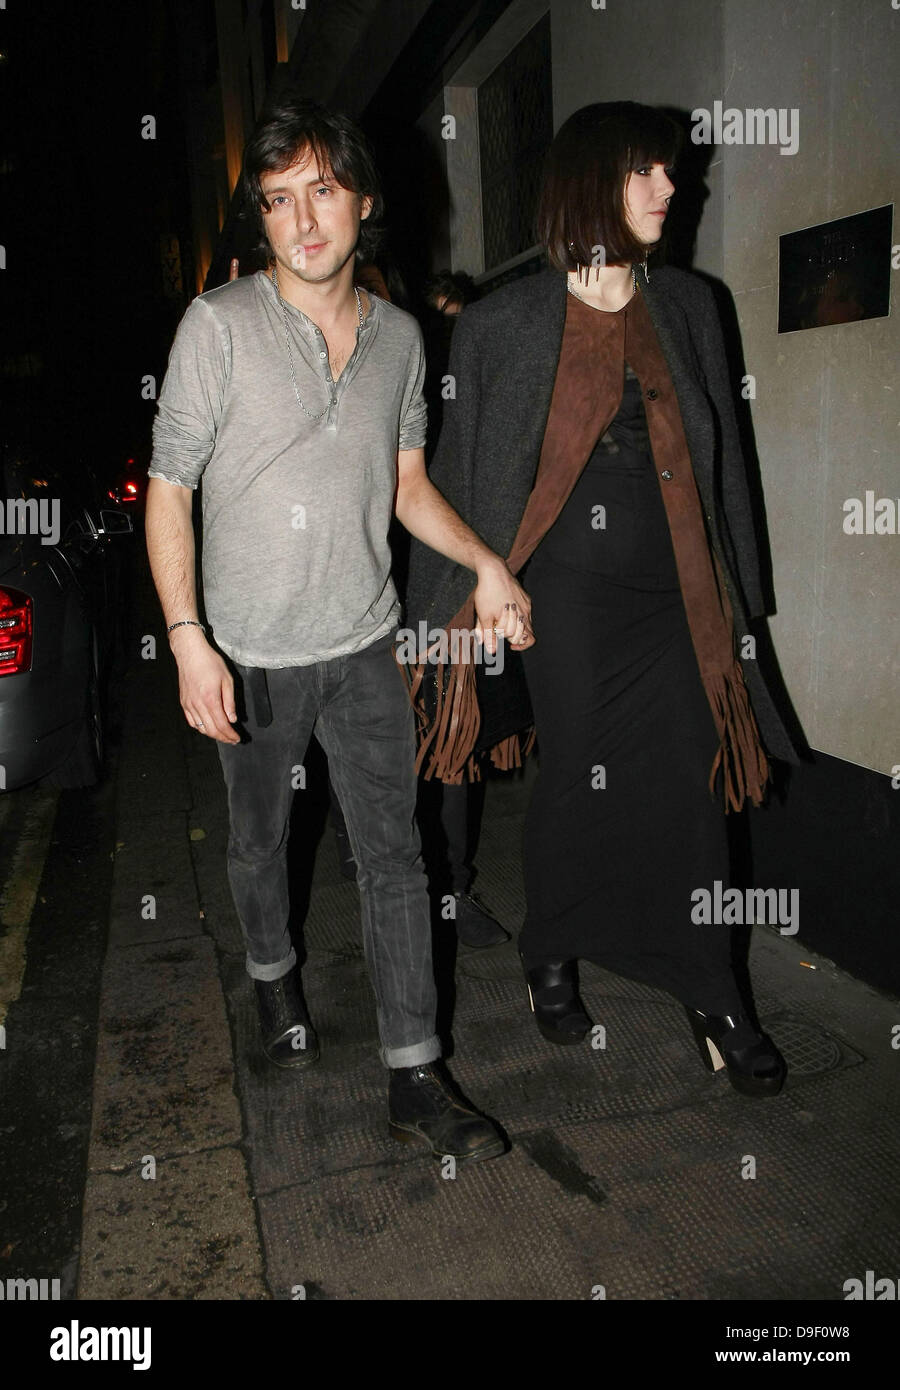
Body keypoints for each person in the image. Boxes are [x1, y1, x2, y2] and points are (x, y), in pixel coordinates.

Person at [145, 96, 531, 1163]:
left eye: (321, 189)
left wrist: (487, 561)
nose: (303, 219)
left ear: (362, 200)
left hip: (364, 643)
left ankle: (416, 1070)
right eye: (277, 200)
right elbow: (169, 486)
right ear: (260, 221)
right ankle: (274, 979)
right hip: (253, 653)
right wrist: (187, 635)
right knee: (262, 842)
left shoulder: (406, 339)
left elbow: (406, 486)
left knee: (397, 855)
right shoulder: (216, 328)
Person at [404, 101, 803, 1099]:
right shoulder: (501, 324)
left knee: (691, 788)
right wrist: (473, 592)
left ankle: (713, 990)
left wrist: (741, 599)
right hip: (564, 596)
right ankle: (554, 945)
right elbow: (462, 473)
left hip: (676, 594)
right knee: (582, 772)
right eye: (647, 173)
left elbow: (727, 469)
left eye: (670, 173)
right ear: (589, 183)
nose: (674, 188)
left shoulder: (692, 306)